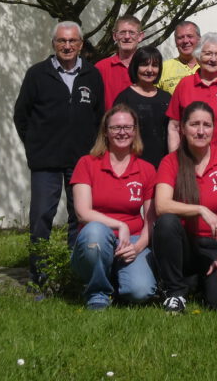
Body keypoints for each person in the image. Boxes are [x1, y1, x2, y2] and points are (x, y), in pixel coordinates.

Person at [14, 21, 105, 283]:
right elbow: (21, 115)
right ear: (53, 44)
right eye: (61, 41)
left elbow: (99, 116)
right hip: (46, 160)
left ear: (81, 44)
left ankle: (74, 273)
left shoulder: (92, 75)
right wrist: (35, 145)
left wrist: (93, 151)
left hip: (81, 161)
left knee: (80, 216)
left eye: (72, 41)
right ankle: (40, 275)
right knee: (41, 216)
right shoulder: (37, 74)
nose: (67, 46)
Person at [152, 102, 217, 312]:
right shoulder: (171, 161)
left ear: (213, 128)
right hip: (184, 246)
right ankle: (175, 291)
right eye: (194, 124)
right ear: (183, 129)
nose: (201, 131)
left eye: (207, 125)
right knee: (166, 222)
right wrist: (201, 209)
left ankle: (199, 282)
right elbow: (161, 205)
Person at [69, 105, 157, 310]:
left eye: (127, 127)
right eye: (116, 127)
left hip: (131, 240)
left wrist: (138, 247)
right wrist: (119, 225)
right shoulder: (87, 163)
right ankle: (98, 293)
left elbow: (151, 219)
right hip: (96, 240)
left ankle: (116, 281)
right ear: (105, 132)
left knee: (140, 291)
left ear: (135, 131)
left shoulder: (147, 169)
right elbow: (82, 213)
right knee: (95, 231)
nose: (122, 132)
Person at [167, 33, 217, 162]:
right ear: (198, 56)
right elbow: (174, 126)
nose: (213, 59)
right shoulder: (185, 84)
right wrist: (174, 160)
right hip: (191, 161)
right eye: (208, 54)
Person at [113, 45, 170, 167]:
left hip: (163, 164)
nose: (149, 70)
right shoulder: (125, 98)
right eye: (144, 65)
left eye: (155, 65)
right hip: (133, 164)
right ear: (136, 66)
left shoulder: (166, 98)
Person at [95, 15, 144, 107]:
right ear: (115, 36)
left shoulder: (148, 69)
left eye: (132, 33)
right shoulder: (101, 67)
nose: (127, 37)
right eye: (122, 32)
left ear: (140, 36)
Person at [159, 21, 201, 95]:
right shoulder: (163, 68)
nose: (185, 41)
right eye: (180, 37)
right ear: (175, 41)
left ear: (199, 39)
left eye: (190, 36)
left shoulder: (209, 67)